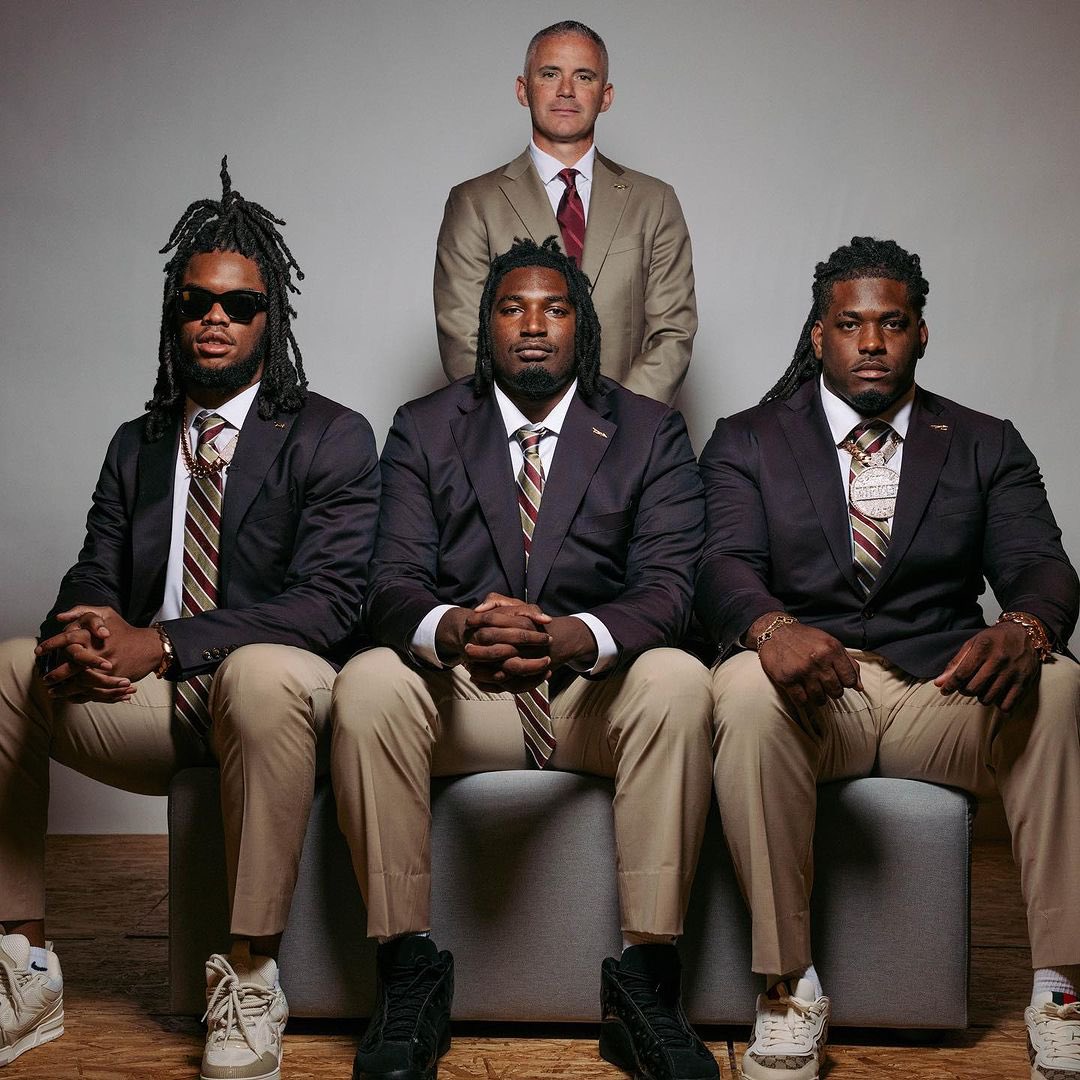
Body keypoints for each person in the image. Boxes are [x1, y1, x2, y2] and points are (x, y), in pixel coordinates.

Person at [0, 158, 380, 1080]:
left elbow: (329, 603)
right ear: (175, 315)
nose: (215, 318)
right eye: (196, 302)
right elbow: (94, 568)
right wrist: (84, 629)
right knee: (12, 663)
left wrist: (164, 641)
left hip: (276, 703)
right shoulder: (137, 444)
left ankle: (250, 979)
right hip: (157, 705)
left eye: (239, 305)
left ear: (269, 320)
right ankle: (25, 964)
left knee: (257, 672)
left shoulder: (331, 435)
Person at [696, 236, 1080, 1080]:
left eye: (893, 323)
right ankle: (787, 988)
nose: (871, 342)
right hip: (814, 696)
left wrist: (1025, 625)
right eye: (850, 324)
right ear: (818, 335)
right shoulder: (748, 439)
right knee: (744, 691)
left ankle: (1061, 990)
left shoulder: (982, 441)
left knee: (1057, 684)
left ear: (921, 333)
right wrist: (770, 628)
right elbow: (720, 564)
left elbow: (1041, 564)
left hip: (941, 692)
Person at [333, 237, 717, 1080]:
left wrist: (572, 635)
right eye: (513, 308)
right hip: (465, 697)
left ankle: (647, 982)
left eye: (554, 308)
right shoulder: (425, 427)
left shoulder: (650, 431)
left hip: (590, 699)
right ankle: (407, 970)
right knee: (367, 681)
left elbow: (671, 587)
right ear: (487, 326)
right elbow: (388, 582)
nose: (534, 325)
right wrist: (460, 627)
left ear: (583, 325)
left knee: (680, 678)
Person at [434, 20, 696, 406]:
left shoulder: (654, 201)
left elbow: (673, 333)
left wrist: (621, 421)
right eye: (550, 74)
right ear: (523, 89)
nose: (566, 90)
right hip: (515, 426)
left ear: (605, 96)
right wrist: (522, 422)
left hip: (622, 426)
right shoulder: (474, 202)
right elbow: (463, 337)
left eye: (584, 76)